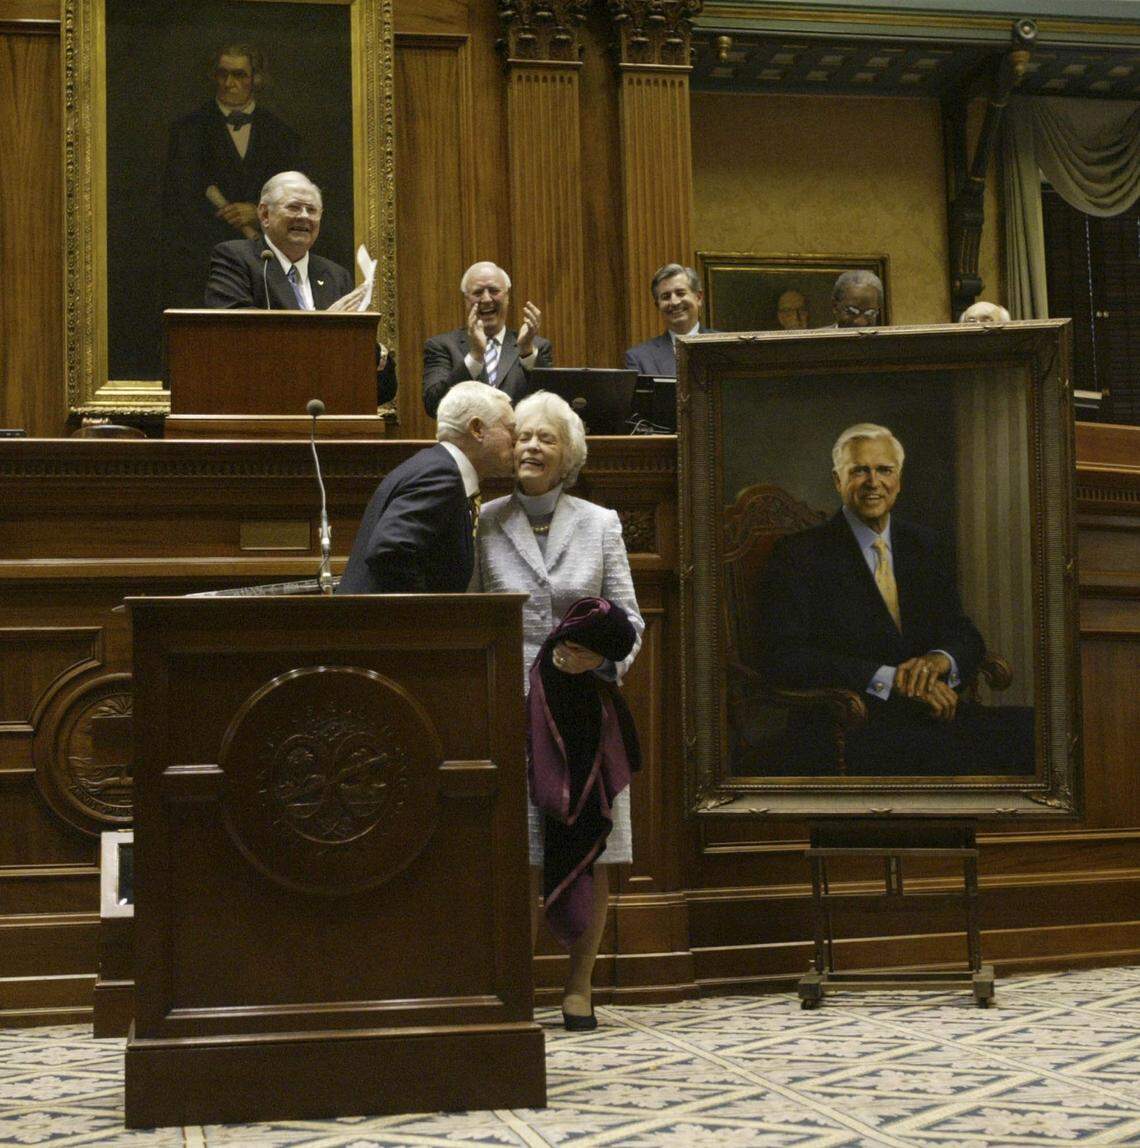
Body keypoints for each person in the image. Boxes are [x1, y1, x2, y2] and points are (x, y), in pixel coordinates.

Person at [473, 391, 644, 1029]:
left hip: (585, 718)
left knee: (591, 849)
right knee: (520, 851)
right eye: (523, 438)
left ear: (567, 454)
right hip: (513, 715)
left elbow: (631, 618)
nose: (531, 448)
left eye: (546, 439)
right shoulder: (484, 521)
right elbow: (471, 617)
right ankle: (515, 982)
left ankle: (579, 986)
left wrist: (599, 664)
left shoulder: (601, 523)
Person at [756, 422, 1034, 775]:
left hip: (932, 715)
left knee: (1037, 731)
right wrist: (893, 680)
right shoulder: (800, 554)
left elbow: (962, 632)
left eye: (884, 470)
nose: (874, 482)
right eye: (859, 471)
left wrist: (938, 662)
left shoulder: (925, 544)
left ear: (898, 481)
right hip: (851, 726)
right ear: (837, 481)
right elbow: (785, 656)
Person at [204, 172, 396, 403]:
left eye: (312, 210)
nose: (304, 217)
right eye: (294, 207)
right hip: (261, 410)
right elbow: (232, 334)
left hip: (327, 414)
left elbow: (378, 389)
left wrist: (372, 352)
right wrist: (325, 329)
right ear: (264, 214)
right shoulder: (236, 258)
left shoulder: (335, 275)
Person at [162, 45, 304, 310]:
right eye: (223, 74)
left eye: (239, 75)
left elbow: (297, 202)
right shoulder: (187, 131)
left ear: (256, 79)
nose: (230, 83)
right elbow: (176, 205)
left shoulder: (282, 135)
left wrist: (258, 213)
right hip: (202, 268)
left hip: (267, 269)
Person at [337, 382, 515, 593]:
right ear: (477, 429)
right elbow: (390, 551)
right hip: (388, 624)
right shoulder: (441, 475)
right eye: (510, 429)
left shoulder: (435, 466)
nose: (516, 439)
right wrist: (431, 613)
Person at [422, 262, 552, 418]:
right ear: (465, 300)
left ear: (507, 296)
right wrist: (475, 356)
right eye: (477, 292)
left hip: (518, 440)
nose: (486, 299)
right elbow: (433, 406)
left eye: (494, 291)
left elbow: (551, 403)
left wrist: (526, 352)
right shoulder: (441, 346)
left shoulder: (536, 346)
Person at [624, 263, 712, 376]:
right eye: (666, 297)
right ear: (658, 305)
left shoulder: (727, 345)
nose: (674, 302)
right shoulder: (639, 359)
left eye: (680, 293)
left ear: (698, 298)